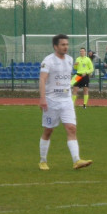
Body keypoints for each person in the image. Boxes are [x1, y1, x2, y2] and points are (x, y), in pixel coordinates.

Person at [37, 34, 93, 171]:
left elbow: (68, 78)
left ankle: (76, 160)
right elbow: (42, 79)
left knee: (71, 128)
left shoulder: (70, 60)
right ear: (55, 46)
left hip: (66, 100)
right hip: (51, 101)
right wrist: (42, 98)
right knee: (48, 131)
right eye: (63, 44)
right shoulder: (48, 61)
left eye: (67, 44)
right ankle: (43, 160)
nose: (66, 47)